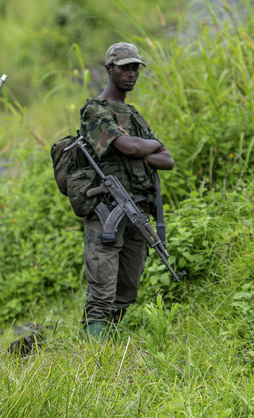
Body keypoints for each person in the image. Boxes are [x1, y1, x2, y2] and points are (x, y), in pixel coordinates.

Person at [79, 43, 174, 340]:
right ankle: (91, 354)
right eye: (125, 67)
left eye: (135, 68)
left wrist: (140, 151)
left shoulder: (133, 115)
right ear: (109, 69)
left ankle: (111, 346)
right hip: (107, 209)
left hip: (137, 210)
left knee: (127, 287)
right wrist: (143, 148)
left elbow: (167, 159)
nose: (131, 74)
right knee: (102, 288)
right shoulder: (95, 111)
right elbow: (127, 146)